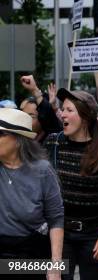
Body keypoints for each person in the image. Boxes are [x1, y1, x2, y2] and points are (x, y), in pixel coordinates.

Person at [44, 89, 98, 280]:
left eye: (69, 110)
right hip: (60, 234)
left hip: (94, 235)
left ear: (86, 117)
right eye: (63, 109)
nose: (62, 114)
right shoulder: (53, 143)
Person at [0, 108, 64, 280]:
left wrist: (55, 265)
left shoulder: (42, 170)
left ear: (18, 140)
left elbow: (56, 218)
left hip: (33, 252)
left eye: (1, 134)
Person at [19, 75, 62, 143]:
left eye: (32, 116)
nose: (26, 120)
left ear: (43, 118)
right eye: (24, 116)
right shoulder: (20, 144)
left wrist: (34, 90)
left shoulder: (52, 141)